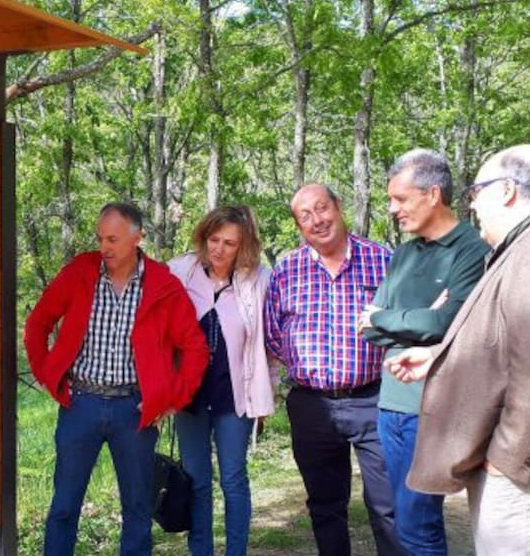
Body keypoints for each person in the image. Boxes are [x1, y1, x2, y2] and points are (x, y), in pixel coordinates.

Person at [386, 145, 530, 554]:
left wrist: (505, 462)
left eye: (477, 190)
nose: (472, 203)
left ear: (507, 190)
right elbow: (510, 342)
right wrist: (439, 356)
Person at [24, 202, 209, 556]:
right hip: (81, 405)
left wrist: (171, 400)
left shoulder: (162, 285)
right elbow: (38, 323)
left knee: (138, 509)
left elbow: (195, 349)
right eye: (100, 238)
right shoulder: (80, 273)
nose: (104, 247)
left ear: (136, 238)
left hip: (134, 410)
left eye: (112, 239)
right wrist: (49, 375)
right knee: (64, 505)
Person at [357, 149, 489, 555]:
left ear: (433, 194)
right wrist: (419, 319)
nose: (393, 209)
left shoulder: (471, 249)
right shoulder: (403, 253)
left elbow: (449, 325)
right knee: (402, 517)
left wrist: (392, 318)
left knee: (418, 525)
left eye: (400, 198)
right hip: (389, 408)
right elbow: (366, 328)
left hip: (433, 408)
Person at [264, 184, 404, 556]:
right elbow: (273, 332)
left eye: (321, 209)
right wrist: (305, 367)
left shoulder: (382, 259)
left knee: (388, 505)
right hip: (311, 405)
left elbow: (403, 324)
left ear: (338, 207)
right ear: (299, 226)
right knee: (325, 506)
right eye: (305, 216)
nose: (317, 221)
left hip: (373, 399)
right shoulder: (287, 269)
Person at [167, 206, 275, 556]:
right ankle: (201, 551)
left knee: (233, 478)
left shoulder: (259, 278)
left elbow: (268, 342)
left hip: (234, 396)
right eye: (214, 240)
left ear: (243, 246)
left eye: (229, 243)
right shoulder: (180, 270)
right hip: (189, 397)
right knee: (196, 479)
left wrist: (266, 397)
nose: (219, 249)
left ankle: (236, 552)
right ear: (203, 237)